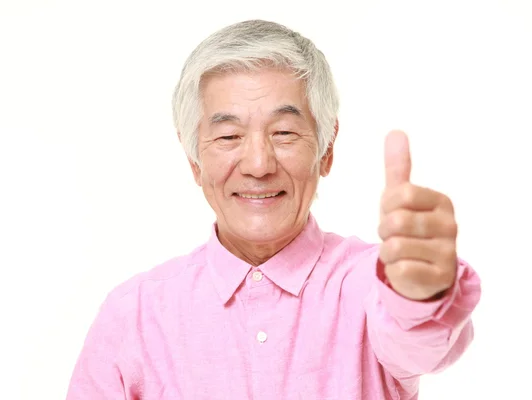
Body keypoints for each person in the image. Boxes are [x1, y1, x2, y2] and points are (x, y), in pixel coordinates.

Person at [66, 19, 481, 399]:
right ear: (194, 159)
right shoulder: (133, 314)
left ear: (326, 148)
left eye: (284, 132)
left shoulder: (372, 283)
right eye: (228, 136)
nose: (259, 165)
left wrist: (421, 291)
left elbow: (420, 344)